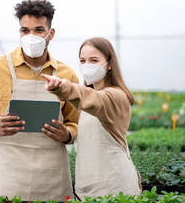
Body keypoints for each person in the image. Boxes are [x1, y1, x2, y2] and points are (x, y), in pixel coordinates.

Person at [0, 0, 80, 201]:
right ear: (20, 32)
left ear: (50, 34)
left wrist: (67, 134)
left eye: (39, 30)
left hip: (53, 174)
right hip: (11, 175)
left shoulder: (66, 74)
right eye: (25, 30)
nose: (31, 36)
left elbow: (76, 122)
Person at [42, 37, 142, 197]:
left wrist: (63, 87)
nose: (87, 65)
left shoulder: (116, 96)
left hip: (114, 187)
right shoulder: (89, 98)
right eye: (83, 60)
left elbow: (92, 98)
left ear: (109, 64)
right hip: (87, 186)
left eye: (94, 60)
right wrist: (66, 135)